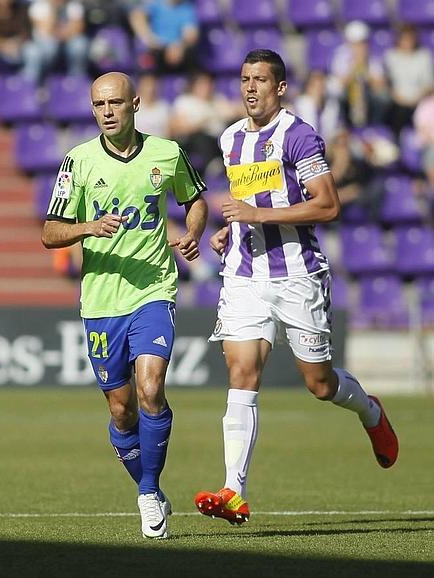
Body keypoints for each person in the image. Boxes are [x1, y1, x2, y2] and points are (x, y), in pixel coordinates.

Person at [194, 49, 399, 526]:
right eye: (245, 79)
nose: (250, 88)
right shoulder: (230, 139)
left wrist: (258, 216)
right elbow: (249, 201)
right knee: (241, 372)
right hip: (244, 273)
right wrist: (232, 230)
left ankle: (370, 411)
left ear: (280, 87)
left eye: (260, 80)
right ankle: (233, 490)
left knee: (319, 384)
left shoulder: (299, 136)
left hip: (297, 274)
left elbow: (327, 206)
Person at [41, 71, 208, 539]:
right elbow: (50, 231)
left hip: (154, 289)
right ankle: (149, 489)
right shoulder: (78, 162)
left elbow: (195, 199)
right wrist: (87, 228)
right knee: (121, 409)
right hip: (100, 302)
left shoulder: (166, 154)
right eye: (99, 105)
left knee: (151, 387)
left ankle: (148, 491)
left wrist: (192, 233)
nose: (107, 112)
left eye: (115, 103)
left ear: (135, 104)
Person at [384, 24, 434, 139]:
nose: (408, 42)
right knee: (397, 113)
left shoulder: (423, 56)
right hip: (397, 101)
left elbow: (429, 83)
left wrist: (418, 98)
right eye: (405, 38)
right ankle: (395, 143)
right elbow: (387, 82)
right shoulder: (391, 56)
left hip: (419, 101)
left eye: (410, 38)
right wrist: (396, 96)